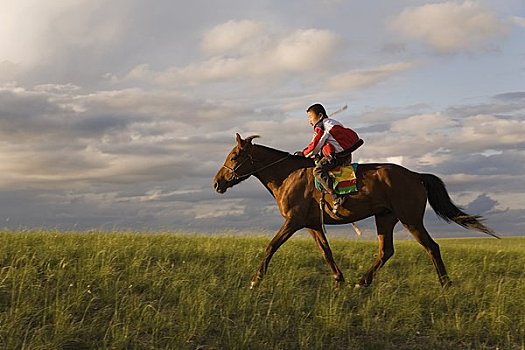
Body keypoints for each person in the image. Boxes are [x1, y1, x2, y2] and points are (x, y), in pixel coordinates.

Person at [296, 103, 360, 213]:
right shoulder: (332, 123)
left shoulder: (321, 126)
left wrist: (303, 154)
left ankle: (336, 197)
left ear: (320, 115)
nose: (310, 121)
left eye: (311, 117)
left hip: (338, 156)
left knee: (318, 171)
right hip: (345, 154)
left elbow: (315, 146)